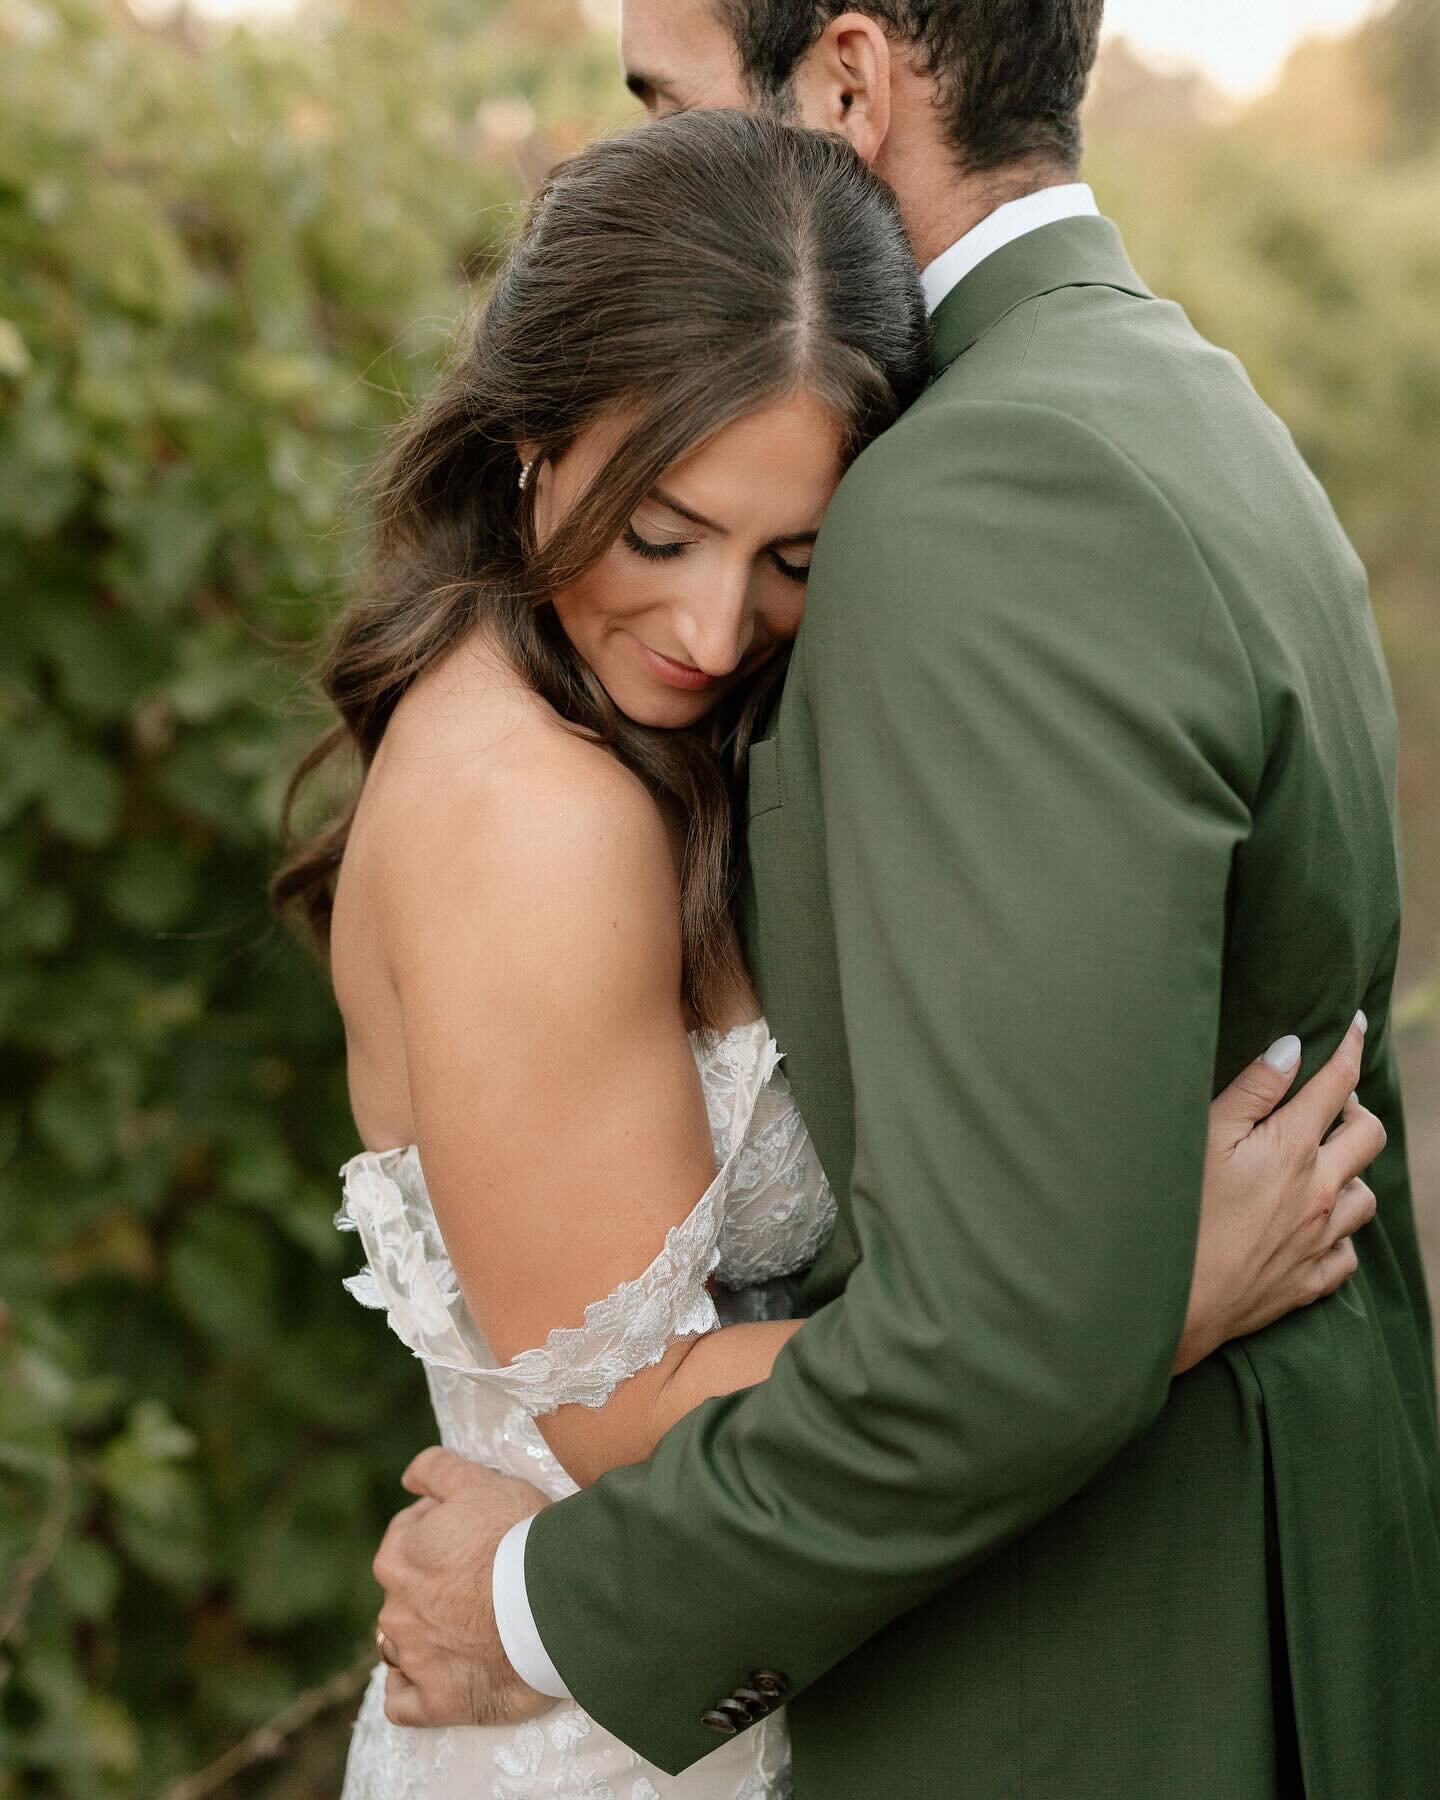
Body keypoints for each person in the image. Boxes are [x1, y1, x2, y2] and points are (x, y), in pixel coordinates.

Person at [354, 4, 1440, 1797]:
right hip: (681, 1682)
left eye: (671, 103)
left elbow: (994, 1320)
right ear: (541, 444)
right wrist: (1138, 1297)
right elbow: (904, 1343)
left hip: (1005, 1649)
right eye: (667, 535)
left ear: (847, 88)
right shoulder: (1181, 401)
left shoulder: (967, 503)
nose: (657, 176)